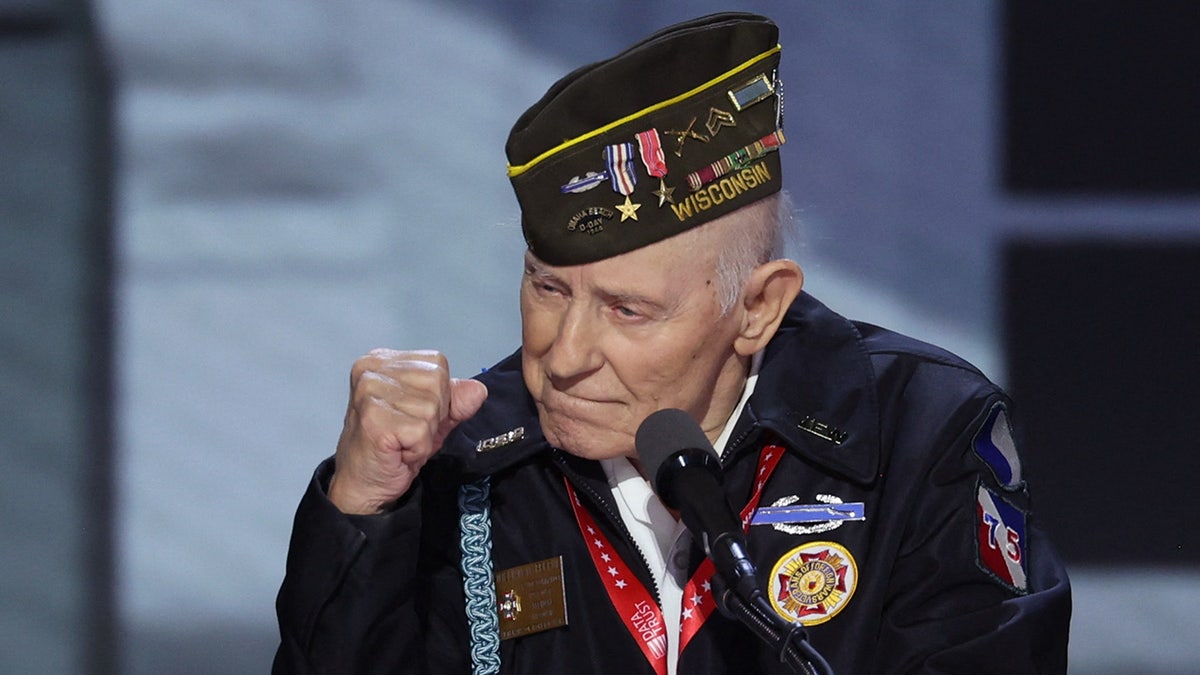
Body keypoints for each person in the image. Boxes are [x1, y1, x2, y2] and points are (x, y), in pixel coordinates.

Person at [274, 12, 1071, 674]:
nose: (564, 353)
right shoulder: (468, 457)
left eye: (627, 310)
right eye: (548, 287)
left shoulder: (920, 430)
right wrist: (359, 513)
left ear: (759, 307)